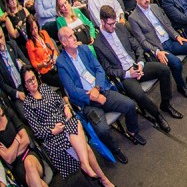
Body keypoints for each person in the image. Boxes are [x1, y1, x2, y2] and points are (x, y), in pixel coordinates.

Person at [20, 66, 121, 187]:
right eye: (29, 81)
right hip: (54, 136)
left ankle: (89, 168)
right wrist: (53, 130)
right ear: (25, 85)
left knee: (75, 123)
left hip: (66, 123)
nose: (33, 82)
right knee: (87, 149)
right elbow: (37, 131)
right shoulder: (28, 105)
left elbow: (60, 102)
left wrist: (66, 107)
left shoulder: (44, 88)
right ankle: (103, 179)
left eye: (33, 78)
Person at [56, 26, 144, 165]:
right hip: (87, 102)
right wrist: (92, 96)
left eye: (74, 35)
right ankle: (115, 149)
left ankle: (132, 131)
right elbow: (71, 90)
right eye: (71, 36)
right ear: (64, 42)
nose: (75, 38)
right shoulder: (61, 63)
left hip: (101, 90)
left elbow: (99, 70)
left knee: (130, 105)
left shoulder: (84, 49)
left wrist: (97, 89)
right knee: (102, 130)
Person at [94, 5, 182, 133]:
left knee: (164, 70)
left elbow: (137, 46)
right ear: (102, 22)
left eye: (115, 23)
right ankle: (157, 115)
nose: (114, 27)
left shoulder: (120, 28)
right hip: (125, 75)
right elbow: (108, 69)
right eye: (110, 24)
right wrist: (128, 74)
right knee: (139, 94)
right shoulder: (98, 44)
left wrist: (140, 62)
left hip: (137, 65)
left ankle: (165, 104)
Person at [128, 0, 187, 95]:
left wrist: (177, 36)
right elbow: (142, 41)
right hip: (159, 48)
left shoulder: (155, 7)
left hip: (170, 41)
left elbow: (167, 25)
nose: (147, 0)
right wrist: (157, 52)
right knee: (176, 63)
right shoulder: (133, 18)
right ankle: (181, 86)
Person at [0, 103, 58, 187]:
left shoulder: (9, 113)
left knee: (29, 163)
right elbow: (8, 159)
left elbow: (26, 140)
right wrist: (17, 140)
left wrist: (11, 151)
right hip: (18, 168)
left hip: (30, 154)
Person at [25, 17, 61, 89]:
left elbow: (52, 48)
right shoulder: (29, 43)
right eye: (32, 29)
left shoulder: (44, 33)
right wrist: (42, 64)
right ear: (29, 31)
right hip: (45, 71)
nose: (35, 31)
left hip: (54, 64)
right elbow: (34, 64)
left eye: (35, 28)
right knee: (61, 78)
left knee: (66, 72)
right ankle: (65, 96)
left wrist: (54, 57)